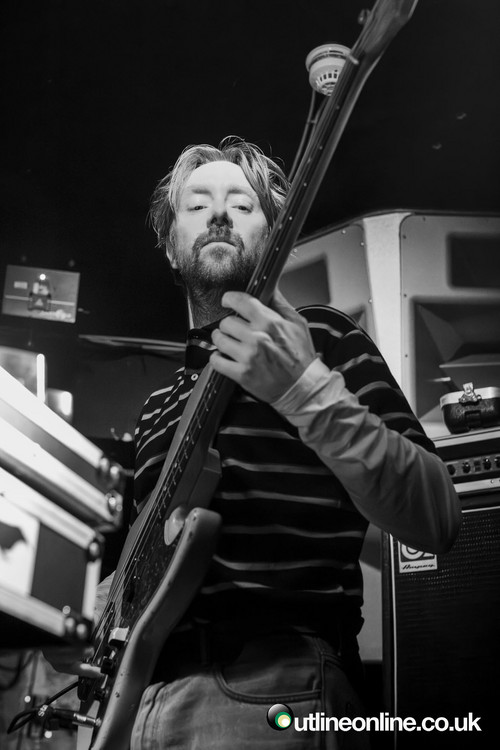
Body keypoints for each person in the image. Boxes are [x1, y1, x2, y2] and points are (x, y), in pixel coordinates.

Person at [50, 137, 462, 749]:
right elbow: (151, 563)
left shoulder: (323, 339)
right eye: (198, 205)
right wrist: (82, 615)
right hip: (140, 707)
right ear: (170, 246)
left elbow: (438, 516)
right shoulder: (158, 406)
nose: (219, 214)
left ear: (273, 240)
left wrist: (303, 388)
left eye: (242, 206)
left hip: (276, 689)